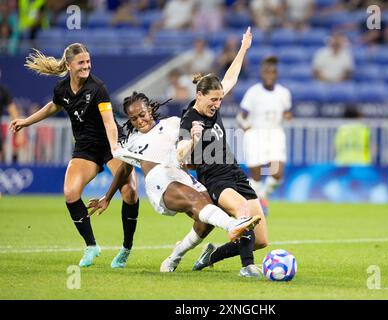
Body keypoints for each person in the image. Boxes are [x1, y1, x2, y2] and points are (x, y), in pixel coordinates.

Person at [86, 92, 262, 272]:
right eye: (133, 119)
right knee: (198, 203)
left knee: (205, 221)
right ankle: (233, 225)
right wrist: (107, 197)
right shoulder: (132, 141)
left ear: (151, 110)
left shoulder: (174, 123)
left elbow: (189, 152)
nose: (139, 121)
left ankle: (175, 255)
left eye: (142, 115)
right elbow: (124, 170)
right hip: (159, 180)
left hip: (182, 176)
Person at [9, 43, 140, 268]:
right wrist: (26, 121)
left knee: (129, 191)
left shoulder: (98, 88)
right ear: (69, 65)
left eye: (88, 62)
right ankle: (91, 246)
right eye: (81, 63)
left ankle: (126, 248)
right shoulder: (62, 89)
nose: (87, 66)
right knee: (70, 193)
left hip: (111, 145)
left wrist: (116, 148)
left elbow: (109, 123)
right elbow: (53, 106)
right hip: (86, 148)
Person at [177, 27, 269, 278]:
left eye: (219, 100)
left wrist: (243, 49)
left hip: (235, 173)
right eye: (213, 100)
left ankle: (211, 255)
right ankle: (247, 268)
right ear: (199, 95)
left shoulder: (211, 105)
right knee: (243, 212)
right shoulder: (189, 119)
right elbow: (179, 154)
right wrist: (192, 140)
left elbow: (230, 78)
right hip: (215, 178)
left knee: (261, 240)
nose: (217, 105)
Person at [236, 56, 292, 215]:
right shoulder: (253, 92)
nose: (269, 75)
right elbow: (241, 116)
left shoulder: (284, 93)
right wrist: (246, 127)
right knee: (257, 174)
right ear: (262, 74)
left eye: (272, 72)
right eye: (266, 72)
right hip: (256, 133)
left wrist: (288, 116)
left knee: (277, 172)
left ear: (276, 74)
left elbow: (287, 112)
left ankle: (262, 196)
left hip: (275, 133)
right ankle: (256, 205)